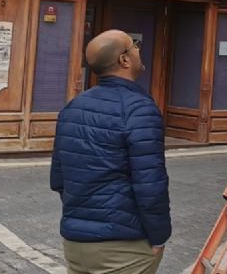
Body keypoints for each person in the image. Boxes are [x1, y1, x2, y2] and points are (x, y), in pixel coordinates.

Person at [50, 29, 171, 274]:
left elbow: (59, 178)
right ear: (124, 60)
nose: (139, 49)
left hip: (76, 243)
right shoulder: (139, 109)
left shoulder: (73, 107)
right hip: (123, 246)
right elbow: (150, 184)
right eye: (134, 45)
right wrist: (159, 236)